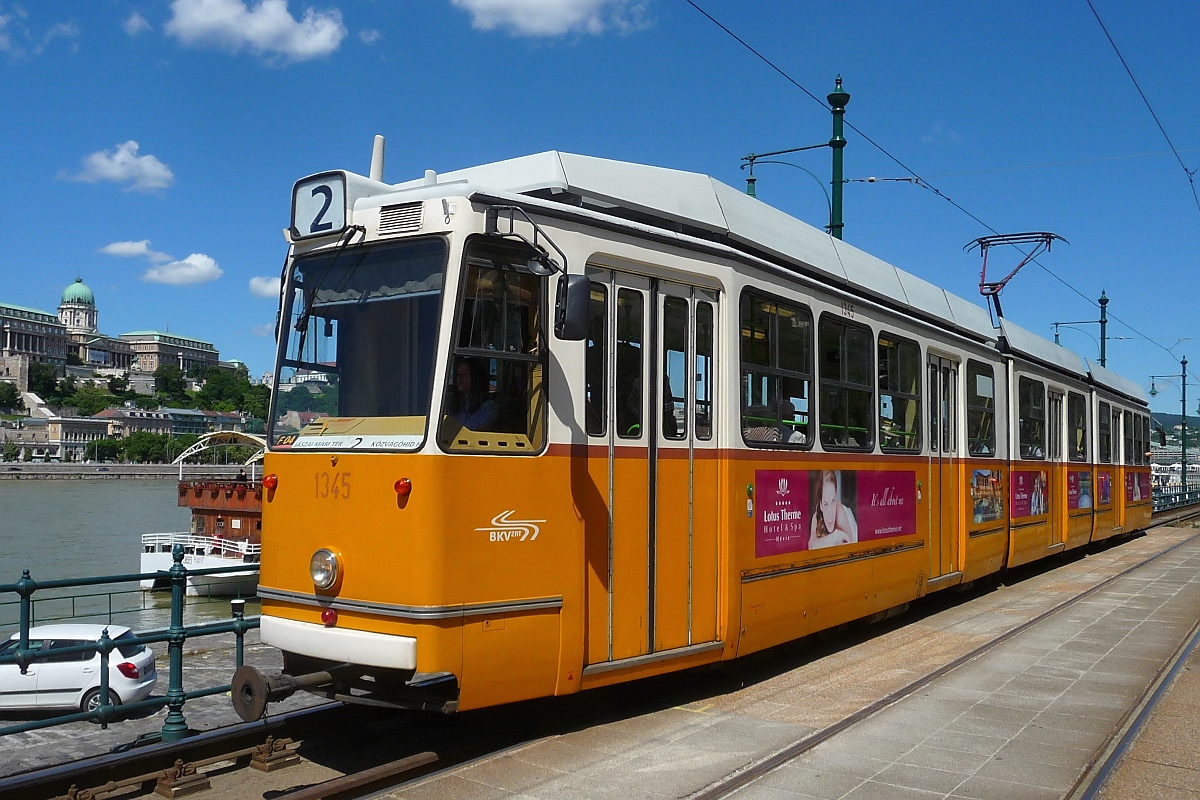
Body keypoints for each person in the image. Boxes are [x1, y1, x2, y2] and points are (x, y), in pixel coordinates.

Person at [810, 470, 858, 549]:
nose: (830, 513)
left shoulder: (841, 515)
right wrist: (836, 536)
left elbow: (851, 547)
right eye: (826, 504)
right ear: (821, 505)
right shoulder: (817, 516)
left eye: (833, 501)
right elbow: (811, 545)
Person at [448, 358, 498, 431]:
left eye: (465, 374)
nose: (460, 378)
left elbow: (482, 433)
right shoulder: (451, 405)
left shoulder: (489, 407)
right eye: (458, 374)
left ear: (476, 378)